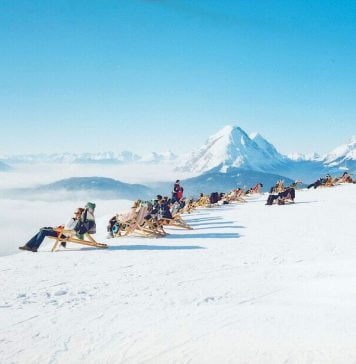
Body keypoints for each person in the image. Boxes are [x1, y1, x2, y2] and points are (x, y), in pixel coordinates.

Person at [19, 208, 84, 252]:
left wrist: (71, 219)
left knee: (43, 231)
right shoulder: (76, 220)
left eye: (77, 213)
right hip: (61, 231)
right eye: (75, 212)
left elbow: (68, 228)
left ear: (81, 214)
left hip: (61, 234)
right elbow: (68, 227)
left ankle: (34, 247)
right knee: (42, 230)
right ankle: (29, 246)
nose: (75, 214)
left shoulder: (76, 221)